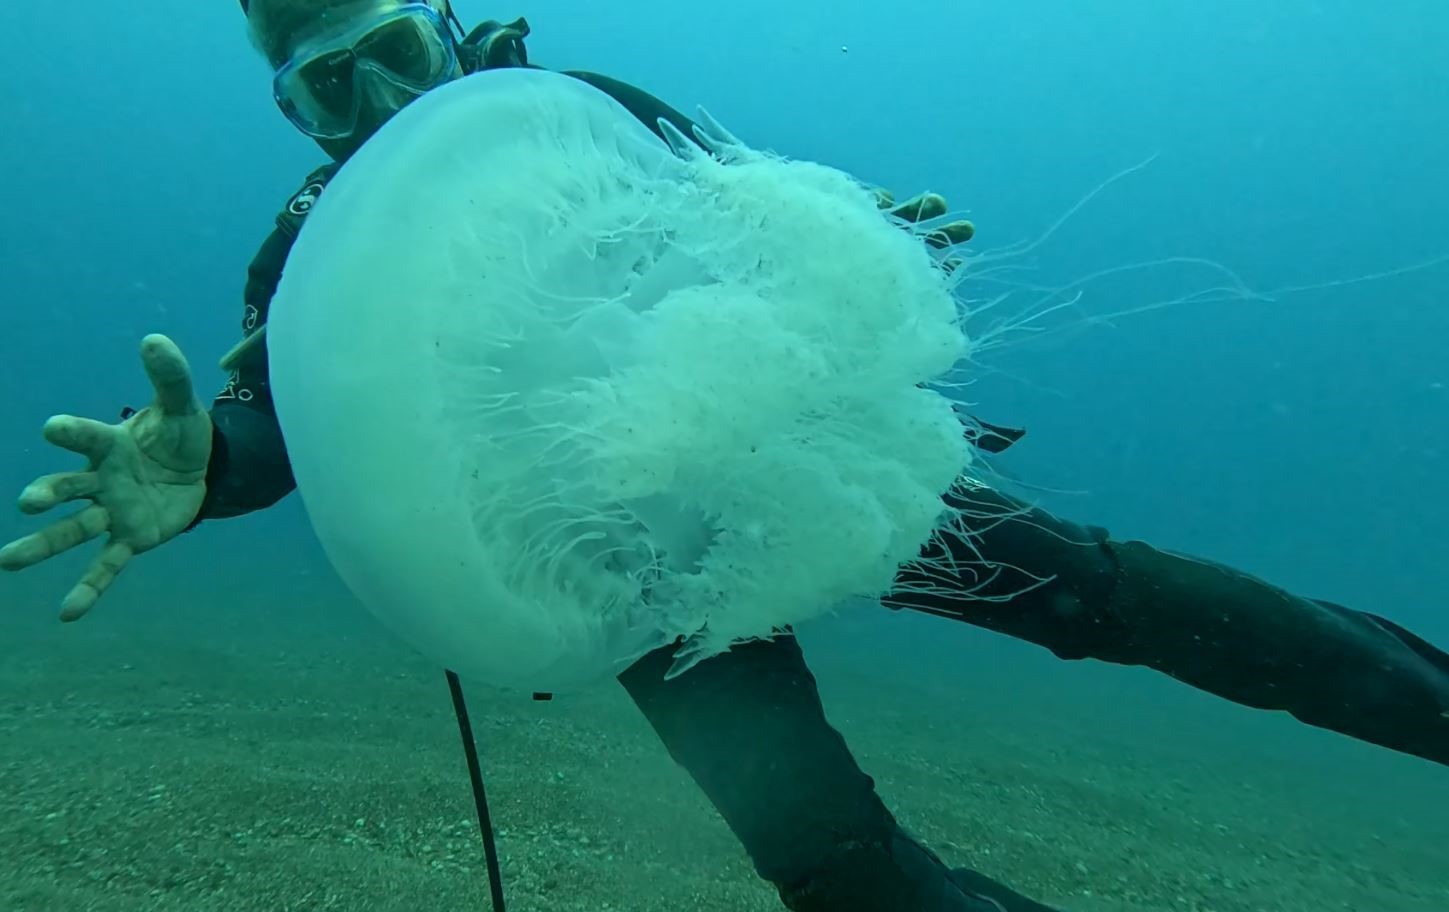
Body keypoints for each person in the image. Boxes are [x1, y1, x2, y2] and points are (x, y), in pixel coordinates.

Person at [2, 2, 1445, 910]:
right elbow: (275, 425)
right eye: (325, 91)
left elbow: (759, 232)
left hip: (795, 453)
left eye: (384, 53)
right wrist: (205, 473)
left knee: (1113, 599)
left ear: (442, 22)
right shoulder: (297, 263)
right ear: (290, 114)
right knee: (828, 866)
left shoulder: (594, 108)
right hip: (621, 570)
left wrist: (870, 259)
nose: (372, 106)